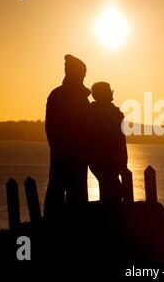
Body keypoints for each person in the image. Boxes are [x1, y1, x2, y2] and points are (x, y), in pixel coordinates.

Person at [44, 54, 91, 218]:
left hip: (71, 154)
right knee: (60, 192)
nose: (83, 77)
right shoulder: (60, 96)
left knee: (68, 193)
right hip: (67, 154)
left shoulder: (62, 96)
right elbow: (51, 128)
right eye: (81, 73)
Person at [86, 82, 128, 204]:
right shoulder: (95, 112)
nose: (112, 92)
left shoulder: (115, 113)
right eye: (109, 90)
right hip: (103, 159)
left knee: (113, 190)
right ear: (103, 93)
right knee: (114, 190)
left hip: (110, 160)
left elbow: (121, 139)